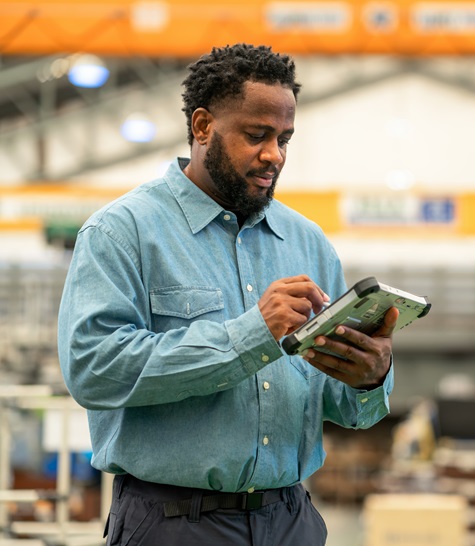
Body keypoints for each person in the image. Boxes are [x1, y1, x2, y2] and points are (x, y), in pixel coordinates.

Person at [57, 43, 399, 546]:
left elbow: (339, 404)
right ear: (202, 127)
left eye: (285, 138)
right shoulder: (122, 232)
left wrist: (370, 379)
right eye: (256, 135)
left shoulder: (308, 243)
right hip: (172, 522)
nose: (274, 155)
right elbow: (93, 369)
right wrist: (251, 334)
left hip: (291, 519)